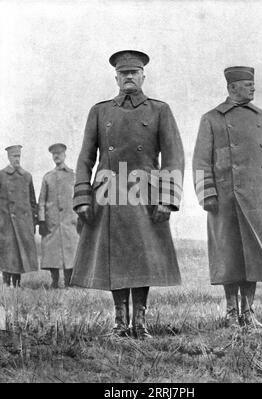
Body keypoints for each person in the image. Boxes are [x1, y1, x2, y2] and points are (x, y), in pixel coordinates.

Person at [71, 50, 185, 339]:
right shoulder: (100, 111)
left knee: (142, 259)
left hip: (145, 195)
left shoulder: (160, 110)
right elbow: (85, 158)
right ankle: (120, 323)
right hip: (108, 194)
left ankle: (140, 323)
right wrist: (83, 197)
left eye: (134, 72)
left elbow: (173, 157)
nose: (129, 77)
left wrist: (168, 200)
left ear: (143, 76)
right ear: (116, 77)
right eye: (124, 73)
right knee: (116, 258)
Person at [193, 66, 262, 328]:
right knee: (229, 256)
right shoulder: (212, 118)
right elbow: (200, 161)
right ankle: (232, 312)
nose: (252, 88)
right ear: (232, 88)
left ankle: (249, 311)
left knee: (255, 255)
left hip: (258, 199)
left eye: (253, 83)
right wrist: (207, 194)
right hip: (225, 199)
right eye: (247, 84)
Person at [38, 143, 79, 289]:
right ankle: (54, 281)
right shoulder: (48, 177)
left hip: (69, 220)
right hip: (52, 222)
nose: (57, 156)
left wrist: (78, 217)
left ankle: (69, 281)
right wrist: (42, 221)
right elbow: (41, 200)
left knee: (71, 251)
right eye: (54, 154)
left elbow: (78, 198)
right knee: (52, 253)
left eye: (59, 153)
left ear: (64, 155)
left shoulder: (73, 176)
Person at [0, 145, 38, 287]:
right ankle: (5, 282)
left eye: (18, 156)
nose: (17, 159)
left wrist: (33, 222)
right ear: (9, 157)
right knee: (7, 252)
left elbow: (32, 201)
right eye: (14, 156)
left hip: (23, 222)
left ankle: (17, 283)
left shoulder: (27, 176)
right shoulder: (1, 175)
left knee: (19, 253)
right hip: (6, 221)